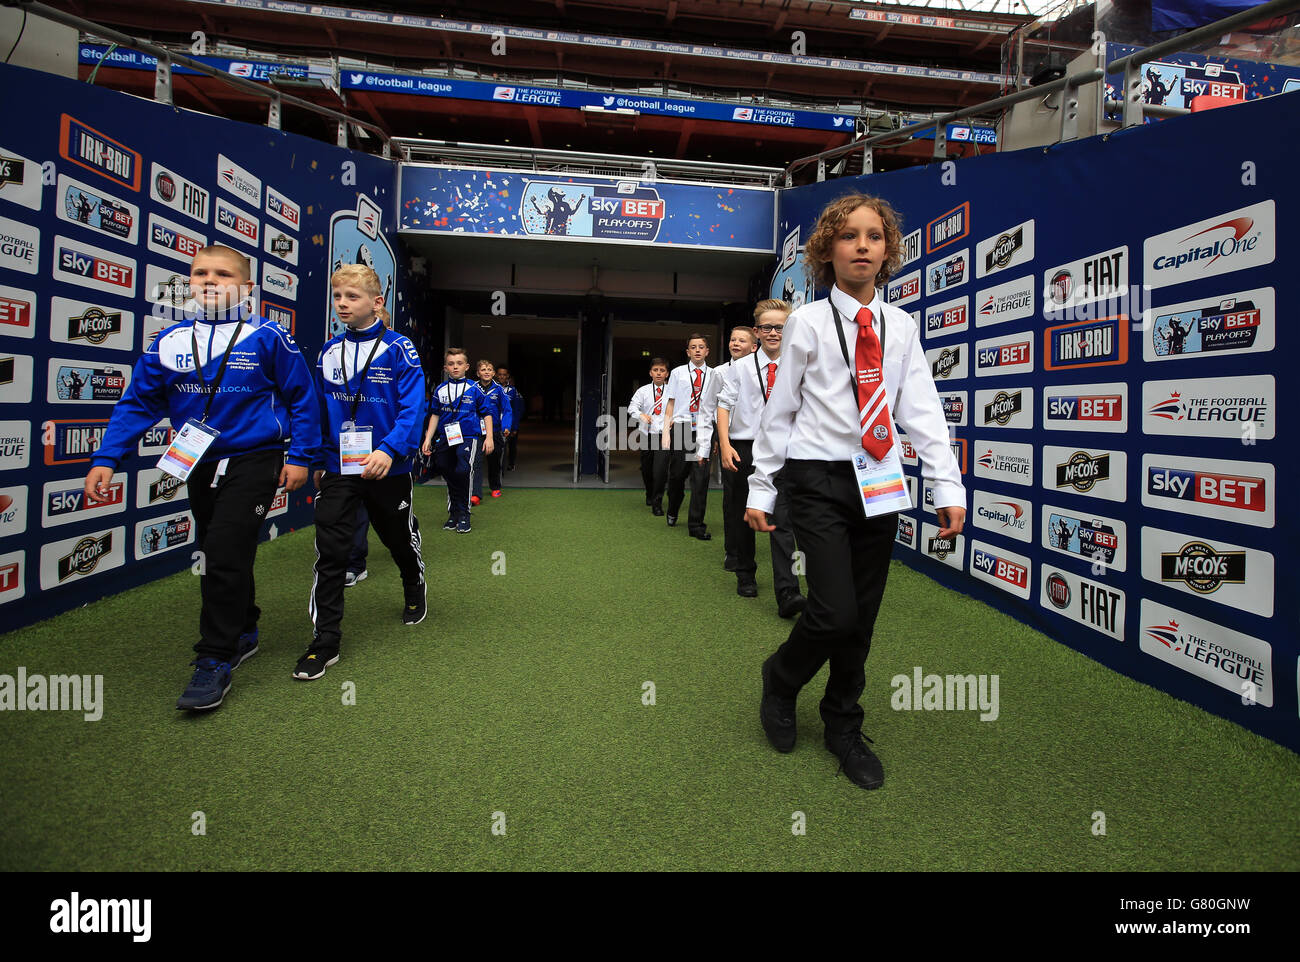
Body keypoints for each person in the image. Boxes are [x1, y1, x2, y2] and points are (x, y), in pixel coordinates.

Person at [746, 193, 966, 790]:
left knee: (861, 618)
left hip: (881, 478)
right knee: (833, 610)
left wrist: (948, 484)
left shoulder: (901, 326)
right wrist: (762, 491)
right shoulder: (806, 324)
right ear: (827, 251)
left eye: (874, 236)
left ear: (888, 250)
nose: (862, 245)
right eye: (849, 236)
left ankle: (842, 722)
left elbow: (921, 409)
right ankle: (782, 679)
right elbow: (780, 412)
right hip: (817, 478)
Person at [82, 244, 319, 712]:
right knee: (220, 546)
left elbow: (302, 399)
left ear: (247, 288)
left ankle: (213, 657)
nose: (209, 281)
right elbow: (138, 403)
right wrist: (107, 457)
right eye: (200, 273)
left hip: (257, 458)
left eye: (223, 274)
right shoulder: (169, 341)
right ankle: (245, 626)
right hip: (198, 460)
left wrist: (302, 456)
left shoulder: (269, 337)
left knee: (223, 550)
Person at [296, 264, 426, 681]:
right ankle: (324, 641)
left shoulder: (400, 348)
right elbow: (317, 409)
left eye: (352, 297)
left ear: (376, 302)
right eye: (338, 297)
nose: (342, 304)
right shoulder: (329, 351)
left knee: (397, 537)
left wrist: (390, 449)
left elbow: (413, 407)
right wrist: (318, 459)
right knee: (331, 551)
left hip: (388, 467)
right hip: (340, 467)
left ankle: (413, 582)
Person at [717, 302, 804, 617]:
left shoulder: (799, 365)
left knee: (782, 519)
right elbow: (724, 405)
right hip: (745, 446)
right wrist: (724, 444)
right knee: (744, 512)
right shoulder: (739, 367)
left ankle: (788, 592)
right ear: (756, 332)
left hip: (785, 448)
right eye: (766, 327)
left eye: (779, 327)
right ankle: (746, 573)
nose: (773, 333)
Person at [699, 326, 758, 569]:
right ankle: (733, 551)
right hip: (731, 441)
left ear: (754, 346)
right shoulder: (720, 372)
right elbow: (707, 407)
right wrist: (706, 444)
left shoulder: (763, 371)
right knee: (733, 498)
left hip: (764, 441)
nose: (735, 343)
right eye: (733, 339)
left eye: (741, 340)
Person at [421, 348, 494, 533]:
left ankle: (464, 514)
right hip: (446, 437)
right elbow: (435, 415)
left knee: (463, 470)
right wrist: (428, 438)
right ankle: (453, 513)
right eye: (451, 364)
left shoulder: (474, 389)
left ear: (467, 367)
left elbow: (487, 414)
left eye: (459, 363)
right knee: (448, 470)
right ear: (446, 367)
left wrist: (490, 438)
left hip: (469, 437)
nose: (455, 367)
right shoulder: (440, 390)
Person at [660, 333, 714, 540]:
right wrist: (666, 431)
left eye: (701, 347)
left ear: (707, 351)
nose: (698, 350)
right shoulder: (677, 373)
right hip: (682, 428)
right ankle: (673, 509)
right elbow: (670, 403)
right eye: (693, 347)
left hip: (704, 429)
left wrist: (717, 437)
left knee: (700, 478)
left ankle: (696, 525)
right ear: (688, 352)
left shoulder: (715, 374)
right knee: (677, 475)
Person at [628, 357, 670, 513]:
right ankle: (649, 492)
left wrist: (674, 419)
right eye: (656, 370)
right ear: (650, 373)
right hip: (647, 434)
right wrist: (641, 416)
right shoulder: (643, 391)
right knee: (647, 468)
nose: (659, 373)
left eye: (662, 371)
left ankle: (657, 502)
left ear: (667, 374)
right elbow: (632, 408)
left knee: (660, 469)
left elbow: (680, 409)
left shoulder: (673, 390)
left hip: (664, 435)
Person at [470, 359, 511, 502]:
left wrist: (506, 426)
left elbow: (507, 409)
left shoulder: (499, 390)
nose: (486, 372)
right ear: (478, 373)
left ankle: (495, 487)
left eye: (489, 370)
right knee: (476, 462)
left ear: (493, 373)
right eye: (483, 370)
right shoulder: (473, 388)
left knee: (494, 462)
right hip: (477, 432)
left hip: (495, 431)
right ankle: (475, 493)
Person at [496, 367, 524, 471]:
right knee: (498, 448)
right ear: (496, 375)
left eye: (504, 374)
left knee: (511, 446)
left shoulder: (513, 391)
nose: (502, 376)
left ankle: (511, 464)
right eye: (499, 374)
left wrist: (515, 427)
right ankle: (498, 469)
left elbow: (516, 410)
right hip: (495, 424)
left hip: (509, 425)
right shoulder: (492, 389)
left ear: (508, 376)